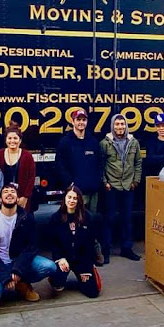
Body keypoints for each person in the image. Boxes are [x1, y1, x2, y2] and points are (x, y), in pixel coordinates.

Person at [0, 184, 57, 307]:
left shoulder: (26, 218)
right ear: (0, 199)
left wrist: (18, 269)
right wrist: (5, 277)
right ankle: (9, 284)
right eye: (5, 191)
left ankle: (21, 282)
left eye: (12, 191)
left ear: (18, 198)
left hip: (17, 261)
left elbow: (32, 247)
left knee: (50, 266)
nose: (9, 193)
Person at [55, 107, 104, 265]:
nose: (81, 122)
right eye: (78, 120)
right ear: (73, 121)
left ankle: (93, 250)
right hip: (76, 192)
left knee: (91, 222)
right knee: (74, 222)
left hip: (92, 190)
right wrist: (70, 184)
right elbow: (60, 165)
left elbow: (100, 164)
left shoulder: (93, 142)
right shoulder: (65, 142)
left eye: (84, 120)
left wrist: (97, 181)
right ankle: (74, 254)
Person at [100, 114, 142, 263]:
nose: (120, 127)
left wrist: (135, 181)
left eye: (122, 124)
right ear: (113, 126)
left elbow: (138, 162)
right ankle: (105, 251)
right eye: (117, 124)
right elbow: (101, 165)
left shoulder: (133, 142)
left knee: (127, 219)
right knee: (109, 219)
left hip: (128, 186)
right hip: (111, 186)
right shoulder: (105, 143)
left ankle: (126, 249)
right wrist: (105, 182)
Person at [48, 186, 100, 298]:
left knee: (93, 292)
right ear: (65, 198)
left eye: (75, 198)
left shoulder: (88, 217)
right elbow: (53, 243)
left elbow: (90, 244)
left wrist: (88, 265)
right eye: (69, 197)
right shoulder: (56, 218)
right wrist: (60, 258)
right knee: (57, 284)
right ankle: (54, 277)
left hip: (81, 258)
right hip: (64, 258)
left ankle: (84, 276)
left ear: (79, 200)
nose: (71, 201)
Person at [0, 126, 35, 211]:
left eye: (15, 138)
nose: (12, 141)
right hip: (2, 199)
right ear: (6, 140)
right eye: (9, 138)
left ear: (20, 140)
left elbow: (31, 178)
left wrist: (25, 197)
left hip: (21, 199)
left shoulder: (27, 156)